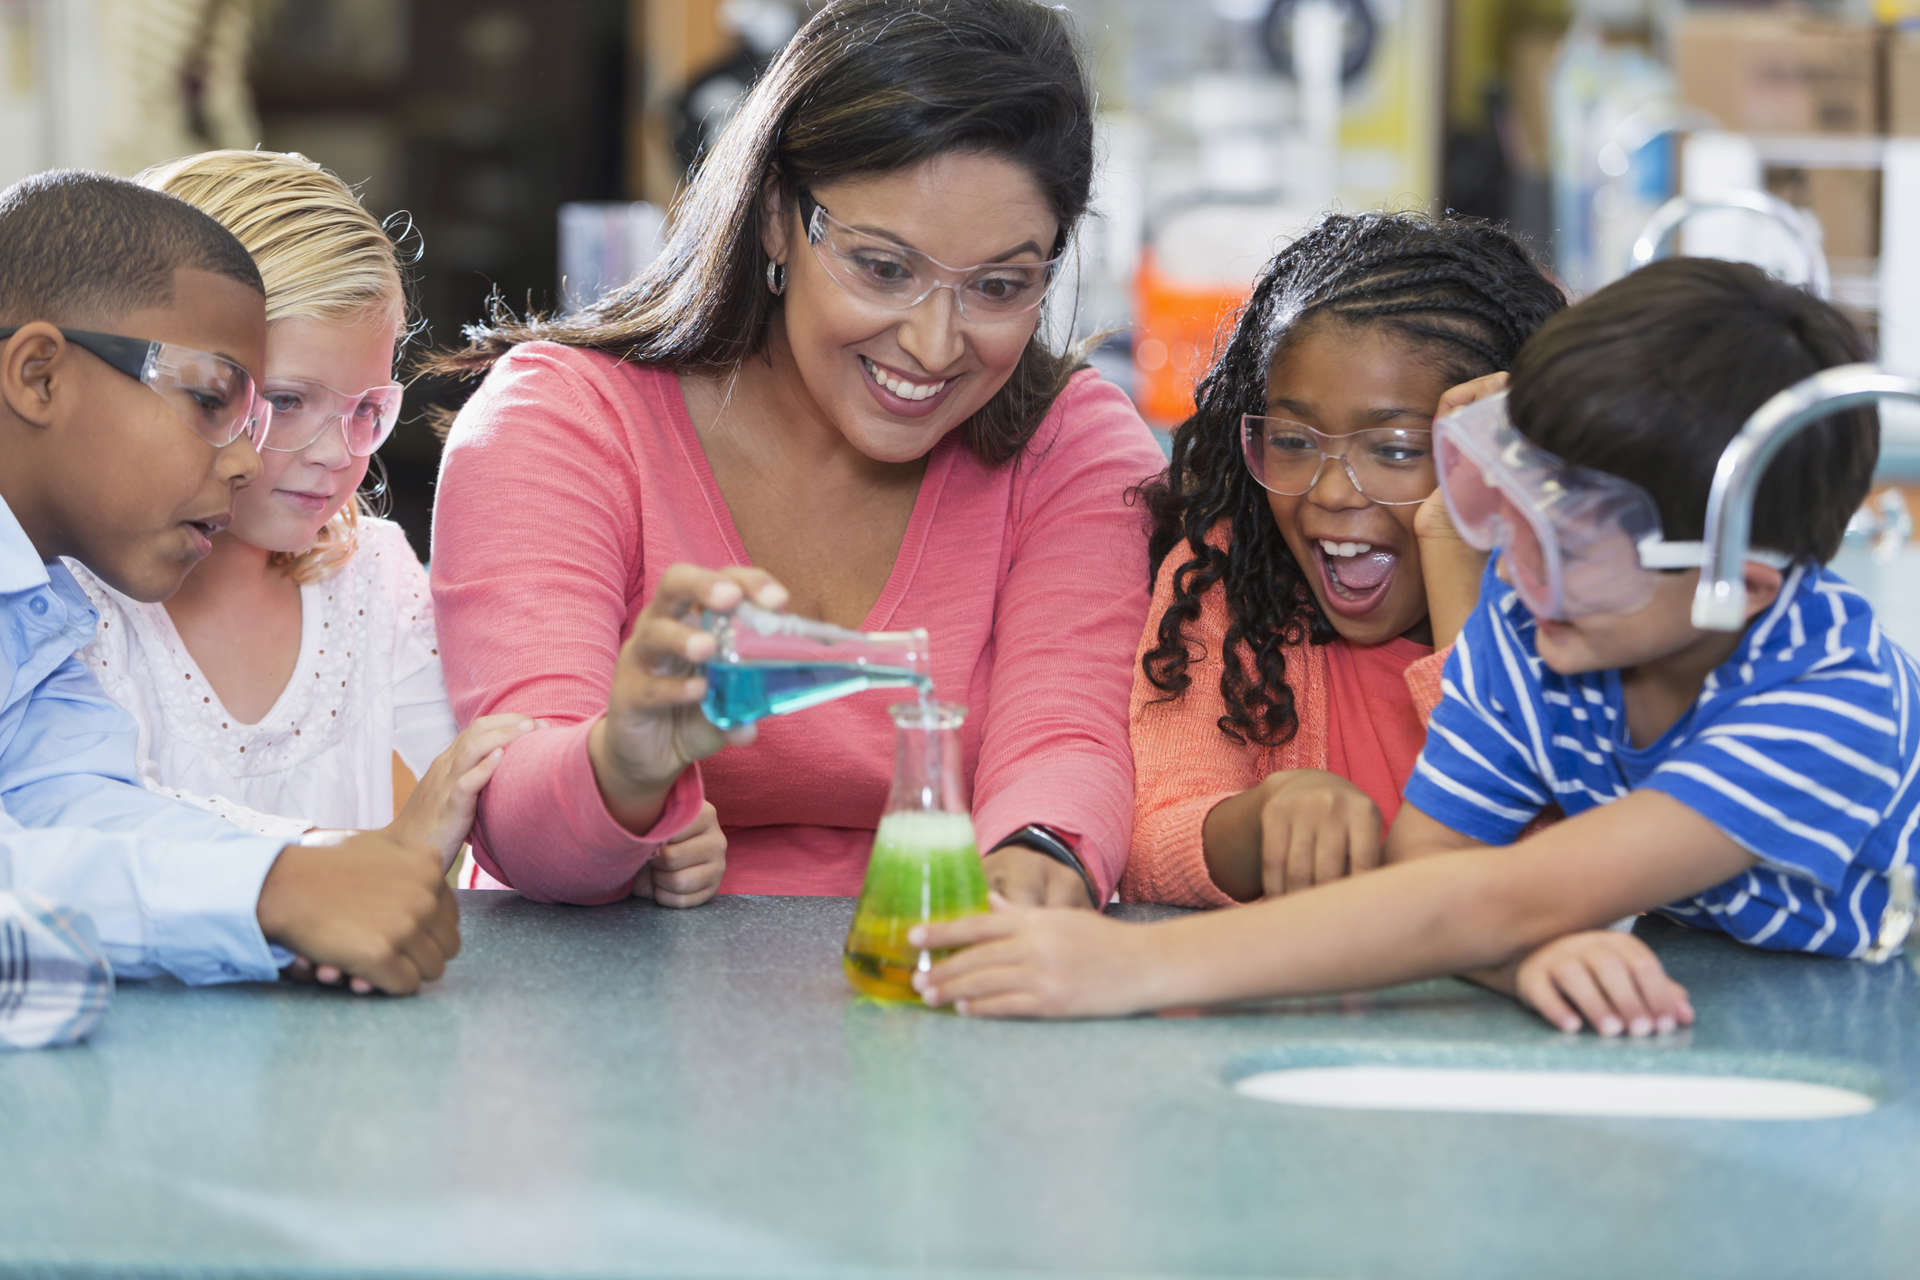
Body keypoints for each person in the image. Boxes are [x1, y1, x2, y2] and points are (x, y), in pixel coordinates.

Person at [913, 259, 1914, 1034]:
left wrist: (1127, 967)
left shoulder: (1828, 700)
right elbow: (1432, 873)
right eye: (1512, 512)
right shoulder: (1545, 627)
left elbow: (1505, 890)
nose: (1517, 569)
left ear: (1734, 586)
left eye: (1571, 545)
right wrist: (1522, 960)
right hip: (1744, 1013)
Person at [427, 0, 1164, 906]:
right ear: (778, 217)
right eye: (884, 268)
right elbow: (521, 832)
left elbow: (1067, 744)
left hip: (941, 967)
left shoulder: (1075, 449)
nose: (934, 346)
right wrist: (622, 760)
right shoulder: (562, 424)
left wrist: (1034, 873)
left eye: (1000, 286)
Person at [0, 169, 456, 994]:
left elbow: (67, 810)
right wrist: (271, 889)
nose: (246, 455)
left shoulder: (40, 612)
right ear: (38, 376)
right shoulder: (87, 602)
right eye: (216, 401)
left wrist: (302, 876)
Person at [62, 149, 538, 883]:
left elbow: (488, 807)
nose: (336, 454)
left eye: (366, 411)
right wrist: (373, 856)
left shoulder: (370, 576)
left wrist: (612, 836)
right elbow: (85, 835)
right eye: (287, 402)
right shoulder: (70, 600)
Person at [1123, 212, 1564, 908]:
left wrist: (1458, 569)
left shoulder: (1582, 611)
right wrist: (1261, 822)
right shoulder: (1231, 579)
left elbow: (1551, 861)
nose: (1328, 492)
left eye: (1394, 450)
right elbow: (1146, 842)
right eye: (1293, 441)